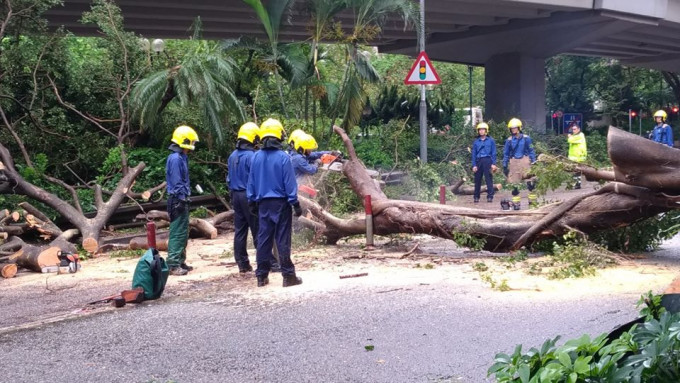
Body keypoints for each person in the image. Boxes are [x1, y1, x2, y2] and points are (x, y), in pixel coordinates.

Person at [247, 118, 303, 288]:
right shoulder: (283, 158)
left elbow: (252, 182)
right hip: (281, 204)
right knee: (282, 239)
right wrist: (295, 203)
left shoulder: (256, 157)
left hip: (263, 204)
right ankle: (288, 276)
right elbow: (289, 183)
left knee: (264, 239)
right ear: (279, 136)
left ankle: (261, 276)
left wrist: (252, 201)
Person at [165, 125, 199, 276]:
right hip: (177, 199)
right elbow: (177, 181)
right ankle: (173, 264)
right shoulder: (175, 159)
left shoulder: (182, 157)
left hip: (183, 198)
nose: (192, 146)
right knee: (177, 233)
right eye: (191, 142)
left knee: (183, 232)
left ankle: (180, 261)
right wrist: (181, 198)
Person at [227, 122, 260, 273]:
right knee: (257, 229)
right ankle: (265, 261)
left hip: (235, 195)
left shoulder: (232, 156)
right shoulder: (252, 157)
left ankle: (243, 264)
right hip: (248, 195)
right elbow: (256, 179)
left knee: (240, 231)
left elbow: (228, 178)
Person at [502, 118, 537, 210]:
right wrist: (505, 165)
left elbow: (531, 150)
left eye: (515, 128)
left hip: (525, 161)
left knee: (531, 183)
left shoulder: (527, 138)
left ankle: (532, 202)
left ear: (519, 128)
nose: (513, 130)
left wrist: (534, 161)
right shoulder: (509, 140)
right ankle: (516, 204)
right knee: (515, 185)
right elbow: (506, 153)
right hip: (514, 163)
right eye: (512, 128)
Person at [471, 122, 497, 203]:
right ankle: (476, 196)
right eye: (480, 130)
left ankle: (490, 196)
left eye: (483, 130)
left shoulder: (491, 141)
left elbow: (494, 153)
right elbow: (474, 154)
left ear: (486, 131)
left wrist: (493, 164)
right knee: (477, 180)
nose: (481, 131)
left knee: (488, 179)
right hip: (479, 161)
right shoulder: (476, 142)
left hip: (487, 160)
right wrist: (474, 165)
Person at [567, 122, 587, 189]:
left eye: (575, 129)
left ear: (579, 129)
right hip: (574, 157)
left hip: (578, 157)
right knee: (575, 171)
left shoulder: (580, 135)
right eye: (573, 129)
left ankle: (577, 184)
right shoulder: (575, 136)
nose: (573, 131)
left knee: (576, 171)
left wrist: (569, 136)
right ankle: (576, 184)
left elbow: (570, 140)